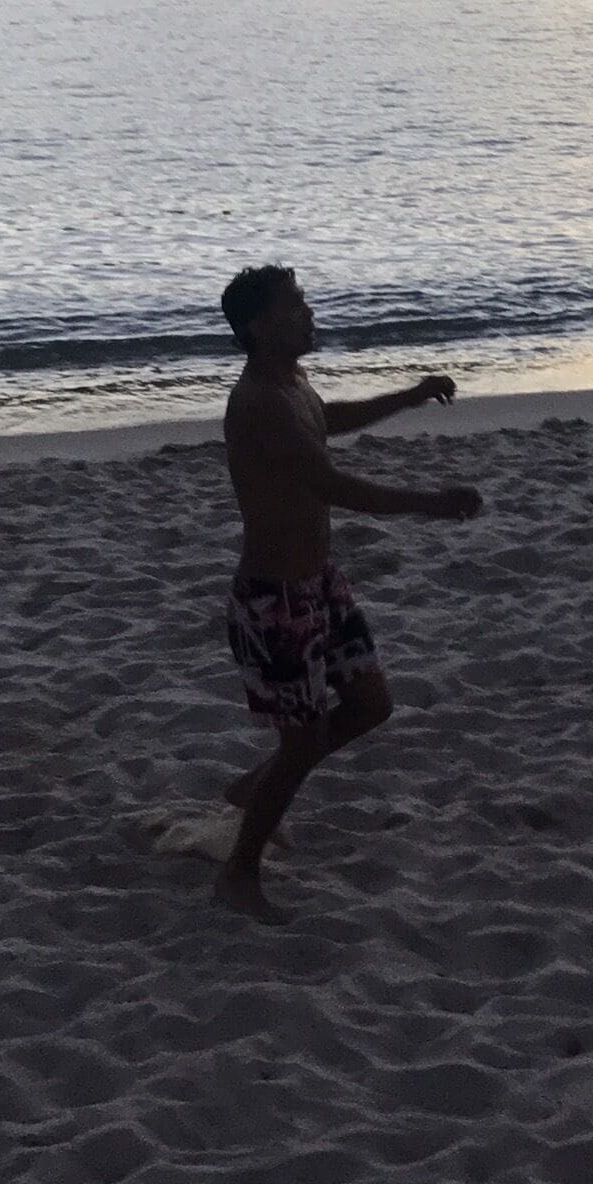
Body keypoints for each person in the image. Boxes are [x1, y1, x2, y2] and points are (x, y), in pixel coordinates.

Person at [214, 263, 482, 923]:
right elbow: (333, 486)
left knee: (370, 704)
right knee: (302, 746)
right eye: (295, 306)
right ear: (259, 327)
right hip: (274, 600)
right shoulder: (258, 403)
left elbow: (326, 419)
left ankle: (255, 786)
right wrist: (431, 503)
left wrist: (410, 396)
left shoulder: (293, 383)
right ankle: (238, 875)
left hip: (319, 584)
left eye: (304, 302)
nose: (309, 314)